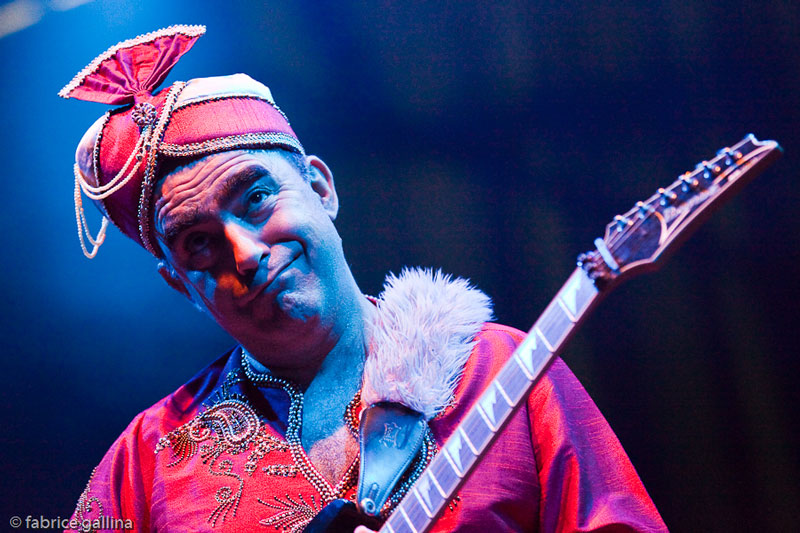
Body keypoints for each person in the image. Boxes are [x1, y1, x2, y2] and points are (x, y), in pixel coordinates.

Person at [61, 25, 668, 533]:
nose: (243, 254)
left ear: (321, 188)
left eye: (256, 198)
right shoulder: (144, 465)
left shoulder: (501, 371)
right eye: (198, 242)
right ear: (179, 284)